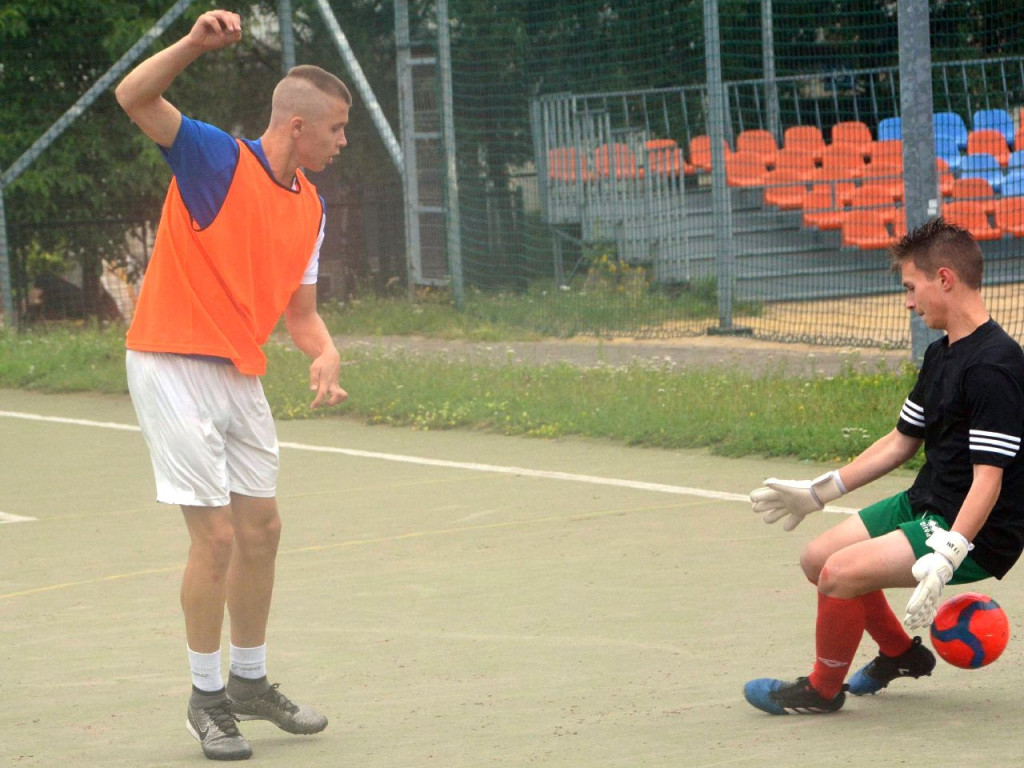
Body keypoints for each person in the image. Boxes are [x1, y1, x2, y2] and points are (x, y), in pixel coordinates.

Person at [115, 10, 350, 760]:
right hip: (170, 359)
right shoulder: (216, 159)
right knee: (213, 536)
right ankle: (206, 695)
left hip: (238, 369)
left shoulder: (309, 206)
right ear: (298, 126)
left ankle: (249, 683)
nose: (344, 142)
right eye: (338, 129)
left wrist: (325, 353)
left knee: (263, 530)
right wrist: (191, 43)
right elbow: (134, 98)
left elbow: (302, 315)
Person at [743, 217, 1024, 716]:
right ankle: (900, 654)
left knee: (838, 574)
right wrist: (817, 493)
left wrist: (950, 554)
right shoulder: (943, 354)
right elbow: (899, 443)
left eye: (911, 288)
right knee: (816, 559)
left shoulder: (995, 366)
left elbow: (989, 479)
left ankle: (821, 690)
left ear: (944, 279)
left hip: (975, 527)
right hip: (927, 501)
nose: (909, 302)